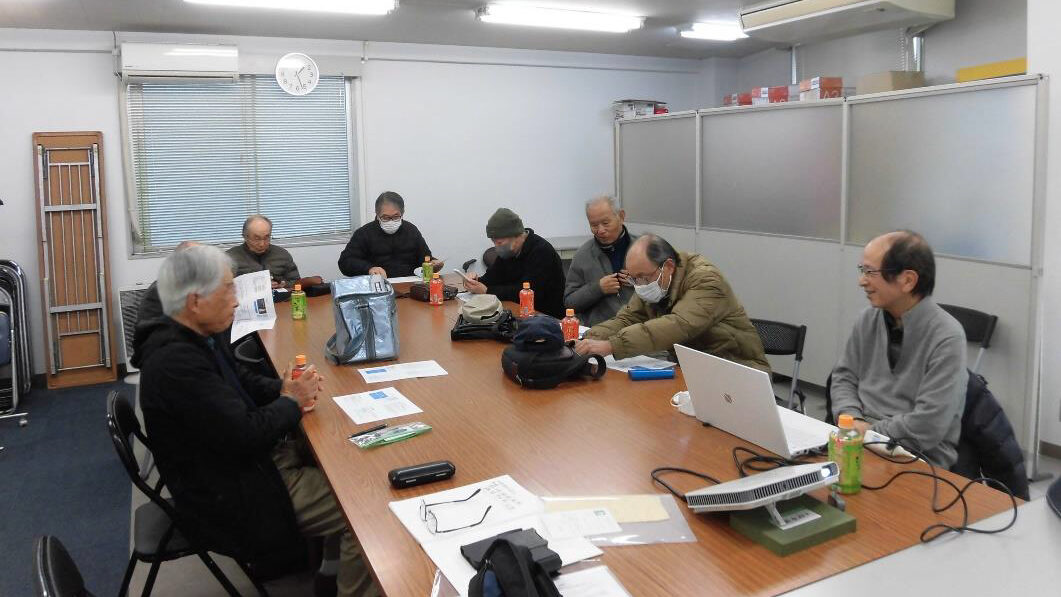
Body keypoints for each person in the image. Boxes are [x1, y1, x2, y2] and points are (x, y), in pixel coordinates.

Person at [134, 245, 377, 597]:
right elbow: (246, 434)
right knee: (364, 505)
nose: (236, 301)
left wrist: (282, 388)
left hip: (244, 467)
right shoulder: (177, 364)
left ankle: (328, 572)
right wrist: (291, 402)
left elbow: (241, 381)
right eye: (228, 290)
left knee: (342, 454)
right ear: (195, 301)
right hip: (233, 494)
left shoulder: (194, 334)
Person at [830, 230, 967, 467]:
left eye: (870, 272)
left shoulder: (947, 336)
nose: (862, 281)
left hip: (916, 458)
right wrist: (851, 419)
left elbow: (928, 424)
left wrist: (868, 433)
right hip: (858, 441)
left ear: (907, 280)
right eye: (862, 270)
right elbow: (843, 377)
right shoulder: (867, 320)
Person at [574, 234, 769, 372]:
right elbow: (627, 318)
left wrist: (612, 345)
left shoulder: (706, 280)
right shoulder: (655, 281)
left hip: (737, 369)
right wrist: (586, 341)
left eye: (642, 277)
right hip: (689, 368)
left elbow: (678, 325)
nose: (639, 285)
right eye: (634, 279)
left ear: (667, 266)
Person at [462, 208, 566, 318]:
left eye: (499, 242)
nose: (496, 246)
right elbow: (492, 278)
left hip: (546, 316)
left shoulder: (542, 251)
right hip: (518, 311)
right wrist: (474, 281)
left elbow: (528, 292)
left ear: (517, 235)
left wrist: (488, 291)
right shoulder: (509, 252)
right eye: (493, 242)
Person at [564, 196, 638, 327]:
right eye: (594, 225)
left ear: (621, 216)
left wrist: (639, 282)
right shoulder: (583, 255)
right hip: (599, 331)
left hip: (639, 329)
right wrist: (598, 288)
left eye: (605, 223)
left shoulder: (644, 249)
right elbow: (570, 303)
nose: (600, 230)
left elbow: (667, 294)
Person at [338, 191, 442, 278]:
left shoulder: (411, 230)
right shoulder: (364, 233)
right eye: (385, 217)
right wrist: (369, 268)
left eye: (396, 216)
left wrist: (433, 263)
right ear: (377, 214)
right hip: (377, 285)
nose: (391, 221)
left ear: (402, 213)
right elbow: (345, 262)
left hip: (410, 285)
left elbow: (425, 258)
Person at [227, 215, 301, 289]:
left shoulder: (282, 254)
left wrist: (284, 285)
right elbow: (224, 288)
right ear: (245, 237)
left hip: (279, 296)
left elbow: (296, 282)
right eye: (256, 239)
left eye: (266, 238)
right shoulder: (229, 258)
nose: (262, 244)